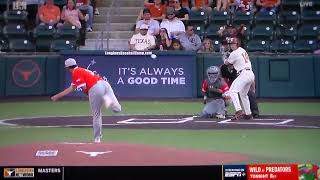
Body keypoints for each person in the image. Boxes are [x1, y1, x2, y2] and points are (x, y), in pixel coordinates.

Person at [51, 58, 121, 143]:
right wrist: (57, 96)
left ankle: (97, 139)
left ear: (67, 68)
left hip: (95, 88)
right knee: (117, 109)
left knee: (96, 114)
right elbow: (72, 88)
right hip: (104, 84)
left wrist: (91, 95)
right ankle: (106, 99)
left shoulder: (75, 72)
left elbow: (84, 88)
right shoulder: (82, 70)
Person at [223, 37, 255, 120]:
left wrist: (225, 59)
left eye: (233, 44)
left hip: (244, 73)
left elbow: (227, 63)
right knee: (243, 94)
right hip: (250, 74)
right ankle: (248, 114)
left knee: (232, 91)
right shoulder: (242, 50)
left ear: (237, 44)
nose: (232, 45)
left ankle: (238, 110)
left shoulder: (234, 53)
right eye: (231, 44)